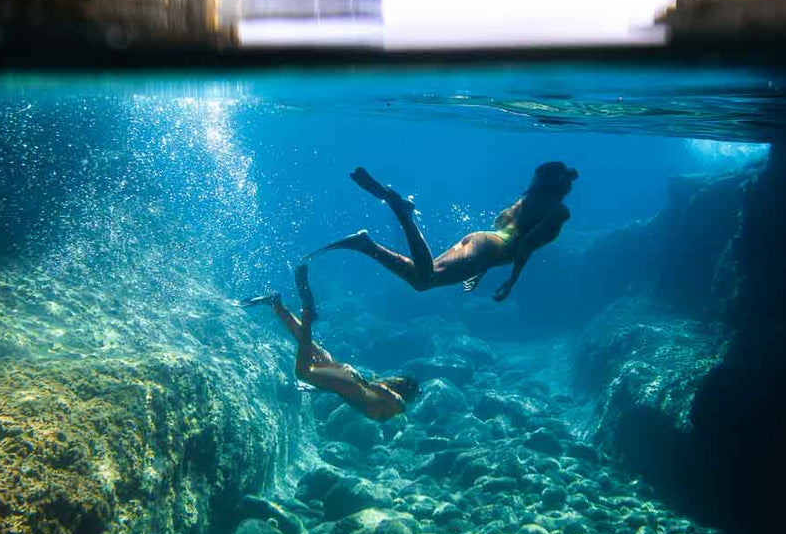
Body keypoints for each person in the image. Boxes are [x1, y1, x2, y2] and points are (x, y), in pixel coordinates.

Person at [308, 161, 577, 302]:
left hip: (479, 241)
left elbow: (504, 233)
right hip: (490, 248)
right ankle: (402, 215)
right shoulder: (558, 211)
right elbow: (526, 244)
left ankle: (366, 243)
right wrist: (511, 281)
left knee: (421, 277)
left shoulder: (526, 200)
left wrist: (480, 270)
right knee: (425, 280)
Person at [242, 264, 418, 422]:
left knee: (306, 343)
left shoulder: (388, 403)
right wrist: (365, 384)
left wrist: (320, 387)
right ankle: (308, 314)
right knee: (303, 371)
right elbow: (389, 395)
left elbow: (353, 393)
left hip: (345, 379)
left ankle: (275, 303)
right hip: (349, 383)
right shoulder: (398, 405)